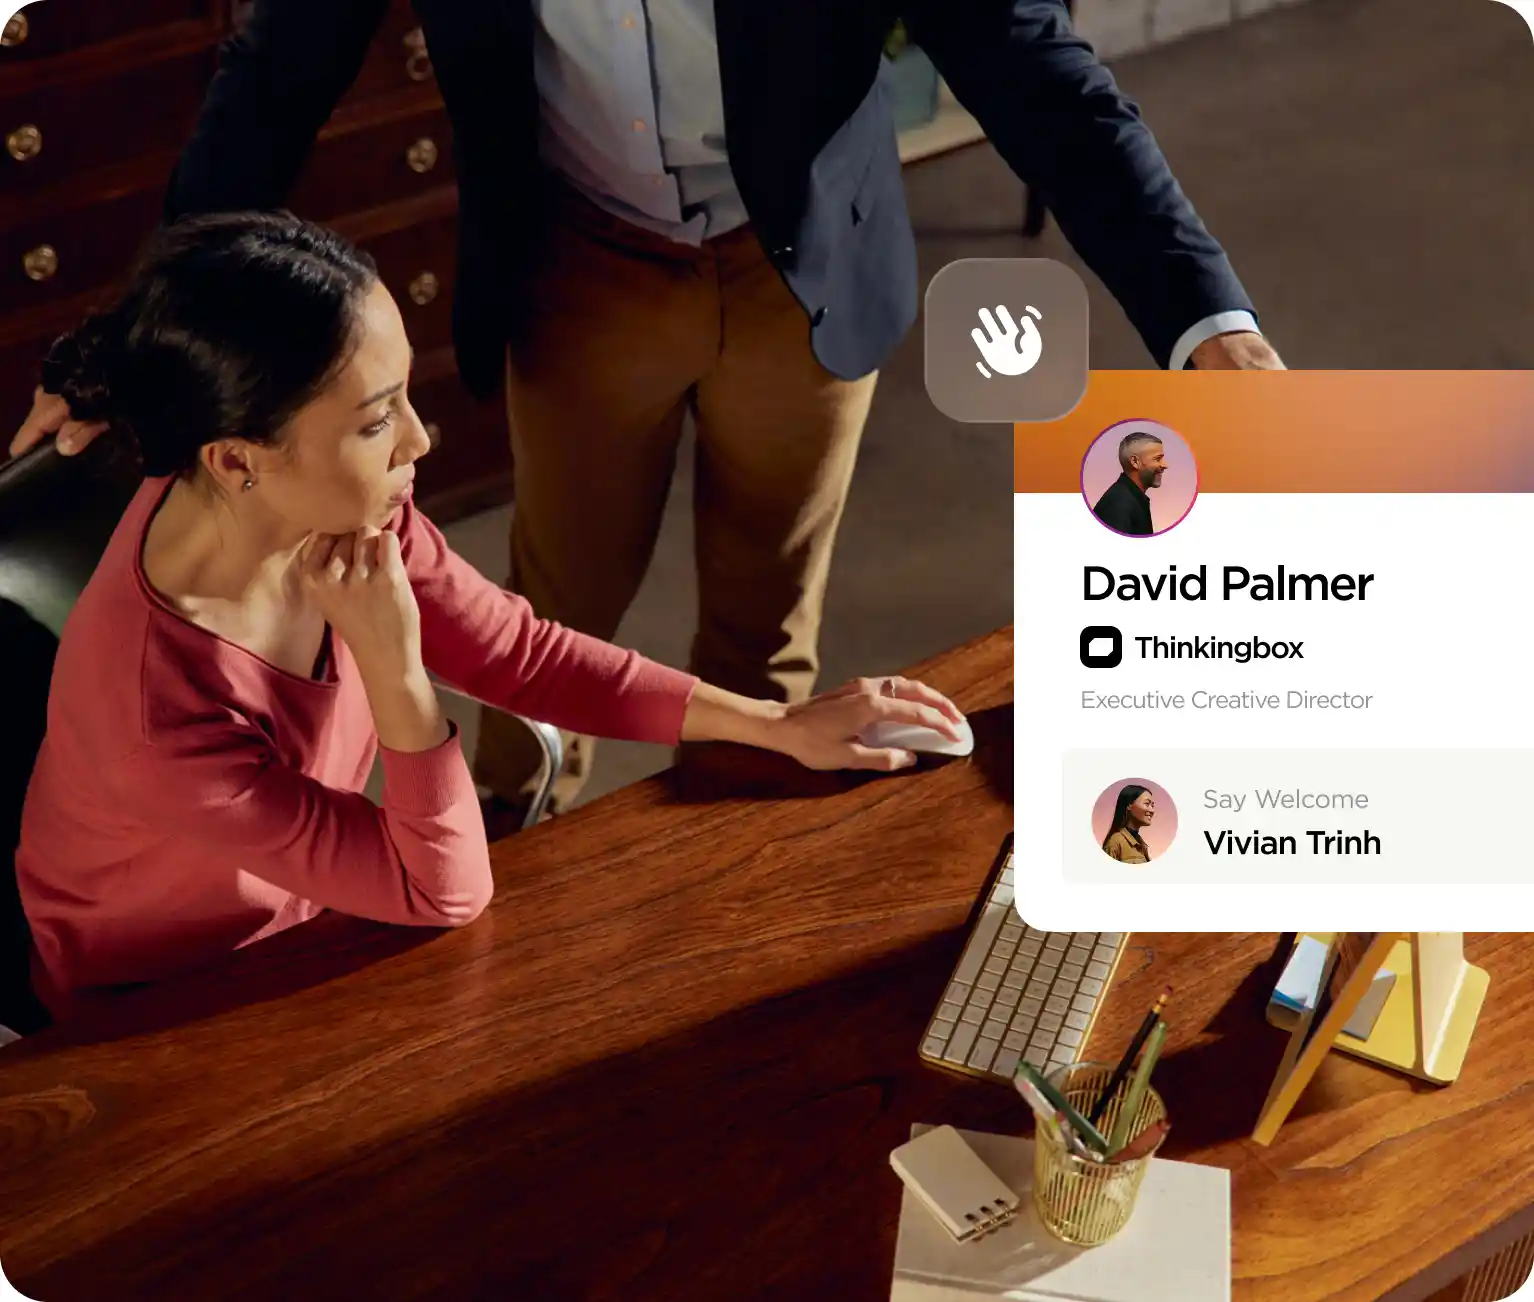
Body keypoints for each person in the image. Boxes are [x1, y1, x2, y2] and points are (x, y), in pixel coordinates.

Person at [8, 1, 1284, 826]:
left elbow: (1040, 72)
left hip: (804, 280)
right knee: (539, 630)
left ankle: (709, 937)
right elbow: (276, 73)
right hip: (579, 267)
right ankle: (504, 849)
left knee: (766, 643)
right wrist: (131, 341)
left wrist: (1206, 325)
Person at [13, 212, 967, 1022]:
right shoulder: (157, 715)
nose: (421, 441)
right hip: (158, 1004)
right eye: (377, 420)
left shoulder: (323, 507)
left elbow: (517, 651)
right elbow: (444, 889)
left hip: (315, 910)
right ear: (235, 459)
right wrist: (395, 671)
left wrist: (776, 723)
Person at [1091, 432, 1166, 537]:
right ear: (1135, 462)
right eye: (1157, 459)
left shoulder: (1129, 497)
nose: (1165, 465)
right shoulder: (1119, 504)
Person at [1101, 784, 1155, 863]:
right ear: (1129, 805)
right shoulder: (1115, 842)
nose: (1152, 810)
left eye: (1152, 805)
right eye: (1147, 804)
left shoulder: (1142, 845)